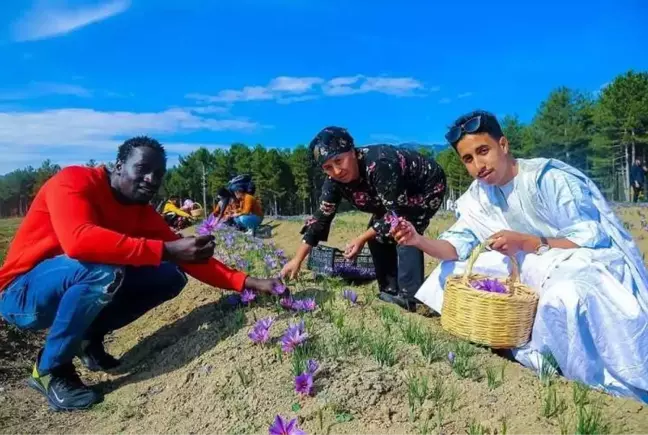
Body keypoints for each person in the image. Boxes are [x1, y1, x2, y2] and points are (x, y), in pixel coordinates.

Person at [0, 136, 283, 411]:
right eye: (142, 169)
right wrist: (167, 249)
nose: (151, 179)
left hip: (73, 284)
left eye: (158, 174)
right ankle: (50, 368)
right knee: (103, 271)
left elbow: (191, 260)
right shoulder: (73, 181)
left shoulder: (140, 212)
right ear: (119, 165)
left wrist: (248, 282)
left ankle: (87, 337)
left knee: (168, 275)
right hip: (22, 294)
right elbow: (78, 241)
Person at [394, 110, 648, 402]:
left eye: (483, 151)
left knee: (567, 293)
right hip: (531, 265)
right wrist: (418, 239)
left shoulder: (547, 178)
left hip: (582, 261)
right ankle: (504, 335)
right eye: (468, 159)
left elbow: (591, 239)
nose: (478, 165)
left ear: (503, 145)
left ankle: (591, 370)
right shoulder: (478, 197)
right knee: (454, 270)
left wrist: (527, 242)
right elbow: (455, 246)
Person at [280, 126, 447, 311]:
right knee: (377, 235)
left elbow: (395, 213)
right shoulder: (333, 182)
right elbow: (321, 218)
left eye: (339, 160)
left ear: (352, 151)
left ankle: (410, 297)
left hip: (424, 187)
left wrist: (361, 238)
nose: (336, 171)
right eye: (327, 167)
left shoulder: (380, 163)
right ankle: (390, 290)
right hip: (390, 196)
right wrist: (297, 259)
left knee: (404, 231)